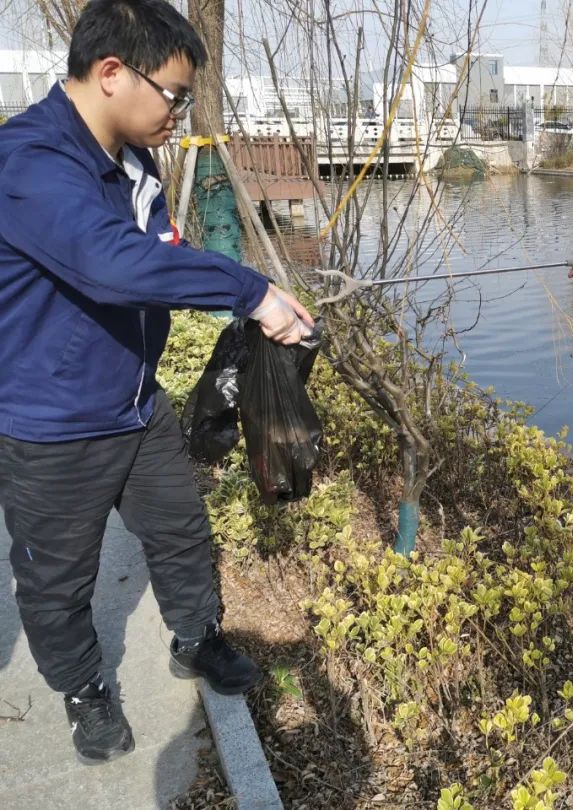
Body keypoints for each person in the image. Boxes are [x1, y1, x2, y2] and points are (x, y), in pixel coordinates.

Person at [0, 0, 313, 764]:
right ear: (112, 73)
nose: (179, 112)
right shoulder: (30, 163)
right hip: (51, 424)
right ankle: (84, 688)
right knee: (56, 581)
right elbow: (110, 264)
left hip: (137, 403)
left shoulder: (134, 161)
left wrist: (251, 309)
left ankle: (196, 638)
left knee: (180, 531)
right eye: (173, 94)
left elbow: (160, 256)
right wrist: (250, 291)